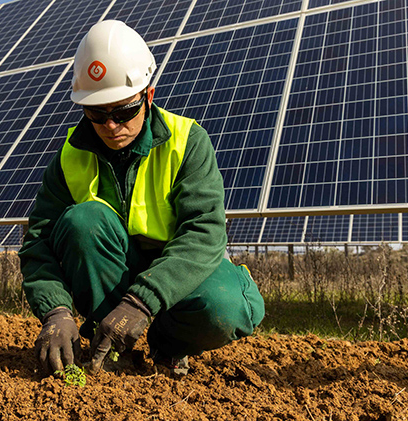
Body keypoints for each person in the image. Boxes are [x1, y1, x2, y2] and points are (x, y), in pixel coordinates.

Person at [19, 20, 264, 376]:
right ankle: (111, 348)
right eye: (96, 114)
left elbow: (204, 235)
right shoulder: (70, 156)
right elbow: (39, 242)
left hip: (176, 274)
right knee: (82, 221)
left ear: (148, 96)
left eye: (123, 111)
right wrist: (55, 311)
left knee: (228, 305)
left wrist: (140, 303)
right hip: (113, 277)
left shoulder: (187, 142)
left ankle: (167, 347)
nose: (111, 125)